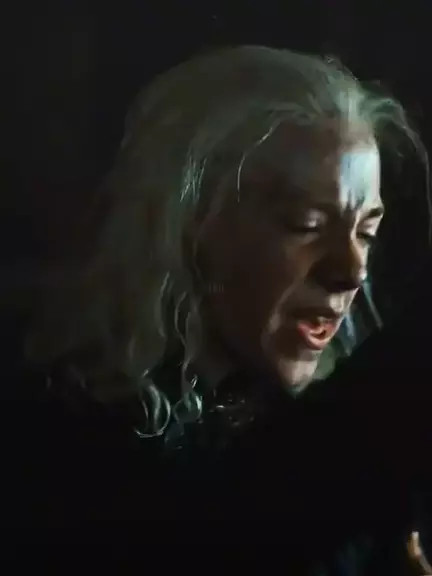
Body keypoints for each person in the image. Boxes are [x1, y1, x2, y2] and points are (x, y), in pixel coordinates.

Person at [8, 46, 431, 574]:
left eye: (366, 232)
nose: (352, 272)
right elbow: (218, 530)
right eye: (306, 225)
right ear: (189, 225)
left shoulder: (286, 410)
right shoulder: (63, 436)